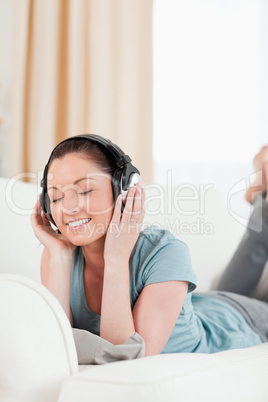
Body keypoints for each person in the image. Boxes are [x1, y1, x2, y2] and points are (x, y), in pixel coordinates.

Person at [31, 136, 268, 356]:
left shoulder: (165, 250)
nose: (69, 207)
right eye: (56, 197)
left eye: (85, 190)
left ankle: (262, 204)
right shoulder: (57, 255)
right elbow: (55, 352)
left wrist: (116, 260)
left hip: (240, 319)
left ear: (124, 189)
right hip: (199, 305)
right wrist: (60, 258)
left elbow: (124, 360)